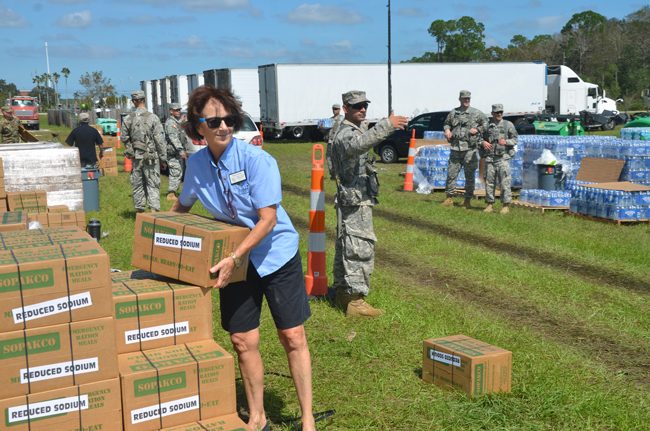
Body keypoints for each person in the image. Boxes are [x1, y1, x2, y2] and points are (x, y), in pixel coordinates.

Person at [171, 86, 315, 431]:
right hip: (233, 262)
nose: (223, 126)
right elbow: (182, 207)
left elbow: (267, 219)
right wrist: (158, 243)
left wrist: (236, 256)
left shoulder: (257, 160)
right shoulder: (196, 165)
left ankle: (307, 419)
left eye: (230, 119)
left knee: (292, 335)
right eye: (214, 120)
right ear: (198, 126)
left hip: (274, 256)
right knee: (242, 340)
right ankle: (258, 417)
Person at [331, 90, 408, 317]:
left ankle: (343, 293)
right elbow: (358, 145)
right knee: (359, 246)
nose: (362, 109)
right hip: (354, 199)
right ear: (346, 108)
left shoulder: (353, 128)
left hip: (357, 196)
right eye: (356, 106)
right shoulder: (345, 132)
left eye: (364, 105)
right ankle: (355, 301)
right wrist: (387, 125)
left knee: (347, 244)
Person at [121, 90, 167, 213]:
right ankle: (154, 212)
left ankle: (139, 213)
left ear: (133, 101)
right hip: (151, 157)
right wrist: (163, 159)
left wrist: (130, 149)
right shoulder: (153, 118)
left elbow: (124, 138)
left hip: (136, 157)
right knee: (153, 184)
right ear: (144, 100)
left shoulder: (128, 119)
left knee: (138, 184)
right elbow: (160, 140)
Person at [442, 90, 488, 208]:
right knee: (451, 173)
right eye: (464, 98)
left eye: (468, 98)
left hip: (469, 149)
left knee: (469, 176)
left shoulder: (476, 113)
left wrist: (477, 129)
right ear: (460, 99)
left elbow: (486, 124)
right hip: (455, 148)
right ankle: (449, 198)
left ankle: (467, 200)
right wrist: (447, 130)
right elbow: (447, 123)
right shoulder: (454, 112)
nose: (466, 100)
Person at [481, 103, 518, 214]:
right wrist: (483, 142)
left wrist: (506, 142)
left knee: (505, 182)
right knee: (489, 182)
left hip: (503, 158)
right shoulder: (487, 125)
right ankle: (489, 204)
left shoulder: (508, 125)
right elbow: (479, 138)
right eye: (496, 112)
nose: (499, 114)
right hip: (490, 159)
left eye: (500, 112)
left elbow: (515, 139)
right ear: (492, 113)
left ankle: (505, 205)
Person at [164, 103, 188, 201]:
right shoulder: (170, 123)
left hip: (175, 152)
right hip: (172, 152)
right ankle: (171, 194)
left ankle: (173, 192)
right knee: (176, 171)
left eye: (179, 110)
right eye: (176, 110)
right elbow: (173, 138)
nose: (179, 111)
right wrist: (180, 150)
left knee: (178, 171)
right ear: (171, 111)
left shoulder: (176, 122)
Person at [322, 104, 343, 179]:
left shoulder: (343, 119)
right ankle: (333, 173)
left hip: (338, 141)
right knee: (329, 157)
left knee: (338, 158)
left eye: (336, 109)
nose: (335, 110)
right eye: (334, 109)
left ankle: (339, 174)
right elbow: (325, 131)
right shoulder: (330, 119)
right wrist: (322, 127)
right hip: (330, 141)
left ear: (340, 110)